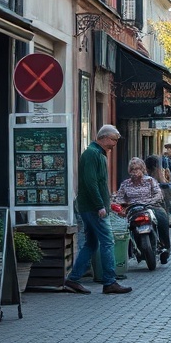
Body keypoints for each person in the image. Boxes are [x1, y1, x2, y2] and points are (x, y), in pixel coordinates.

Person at [64, 124, 132, 294]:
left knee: (91, 243)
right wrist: (100, 205)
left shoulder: (96, 154)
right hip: (93, 208)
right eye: (114, 140)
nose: (115, 144)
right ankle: (109, 281)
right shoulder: (92, 154)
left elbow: (97, 182)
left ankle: (73, 279)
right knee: (108, 241)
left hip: (92, 206)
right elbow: (90, 181)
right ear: (104, 138)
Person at [114, 156, 171, 259]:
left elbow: (158, 193)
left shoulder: (150, 181)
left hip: (150, 206)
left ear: (142, 169)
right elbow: (119, 197)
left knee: (162, 218)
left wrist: (151, 201)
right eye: (132, 169)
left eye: (137, 169)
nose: (134, 172)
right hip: (132, 209)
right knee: (123, 226)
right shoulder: (125, 184)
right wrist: (121, 206)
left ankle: (165, 247)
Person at [146, 154, 171, 227]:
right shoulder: (157, 172)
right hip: (158, 197)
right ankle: (170, 220)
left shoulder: (145, 174)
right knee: (165, 207)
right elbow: (162, 182)